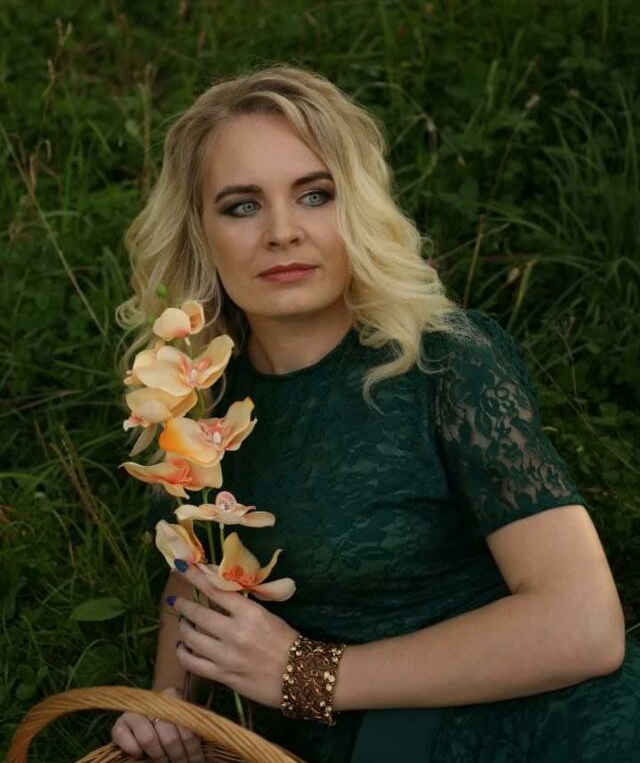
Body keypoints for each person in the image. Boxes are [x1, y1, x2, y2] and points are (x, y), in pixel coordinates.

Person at [112, 64, 640, 763]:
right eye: (242, 206)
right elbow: (192, 573)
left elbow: (584, 623)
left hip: (552, 724)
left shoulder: (444, 361)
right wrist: (168, 710)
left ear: (358, 208)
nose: (282, 232)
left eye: (315, 195)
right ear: (199, 231)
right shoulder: (193, 393)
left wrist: (307, 674)